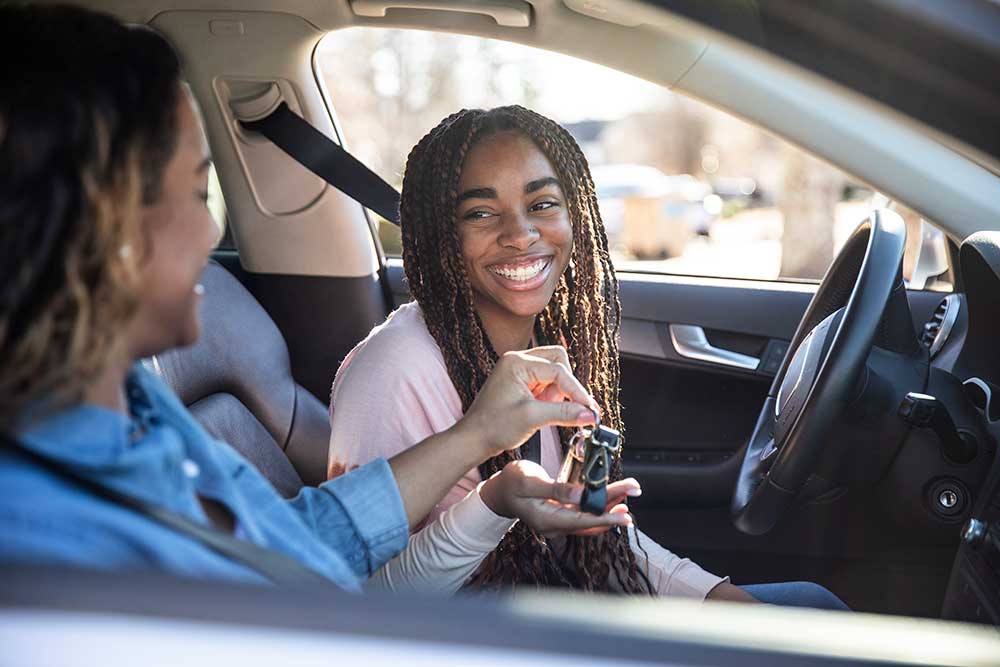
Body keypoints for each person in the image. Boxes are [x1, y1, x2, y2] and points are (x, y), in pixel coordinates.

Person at [0, 4, 633, 589]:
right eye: (199, 194)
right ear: (100, 224)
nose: (210, 232)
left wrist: (478, 443)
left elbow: (299, 545)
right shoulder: (41, 538)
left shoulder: (134, 404)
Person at [328, 107, 848, 609]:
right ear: (441, 231)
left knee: (813, 607)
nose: (521, 234)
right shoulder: (391, 373)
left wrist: (717, 598)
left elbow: (597, 538)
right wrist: (490, 506)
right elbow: (364, 607)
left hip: (561, 612)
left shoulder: (546, 348)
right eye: (481, 212)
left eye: (543, 204)